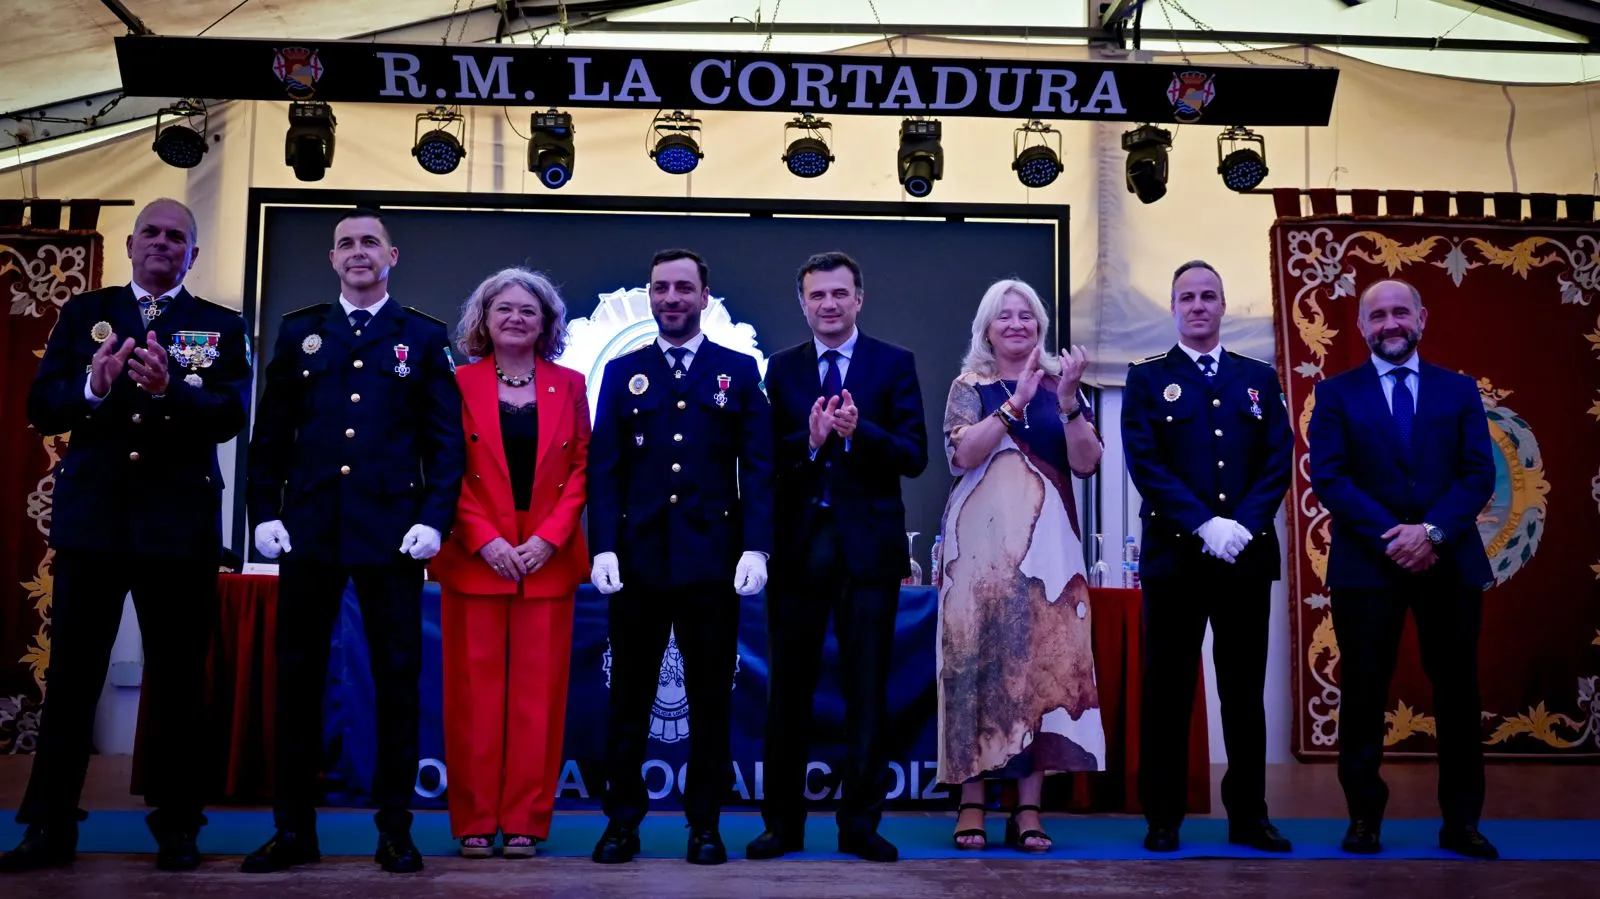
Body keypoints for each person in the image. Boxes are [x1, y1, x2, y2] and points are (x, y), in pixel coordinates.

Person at [1, 199, 250, 874]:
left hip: (179, 529)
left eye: (178, 237)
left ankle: (177, 825)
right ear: (132, 243)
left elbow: (229, 414)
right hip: (96, 524)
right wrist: (92, 384)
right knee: (73, 678)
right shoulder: (86, 313)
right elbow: (42, 407)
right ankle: (48, 825)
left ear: (193, 255)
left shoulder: (220, 325)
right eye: (153, 234)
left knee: (176, 682)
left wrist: (173, 391)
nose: (163, 244)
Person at [242, 208, 465, 874]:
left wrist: (435, 516)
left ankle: (395, 830)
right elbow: (271, 435)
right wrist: (263, 509)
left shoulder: (421, 337)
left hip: (393, 537)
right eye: (346, 244)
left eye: (370, 242)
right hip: (309, 530)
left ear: (391, 256)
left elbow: (445, 442)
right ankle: (292, 830)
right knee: (297, 682)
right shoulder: (301, 330)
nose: (358, 252)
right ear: (332, 259)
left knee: (399, 682)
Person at [586, 248, 773, 866]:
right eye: (661, 288)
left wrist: (756, 546)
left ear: (704, 296)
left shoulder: (738, 371)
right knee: (629, 700)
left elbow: (760, 468)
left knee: (712, 701)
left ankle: (705, 825)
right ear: (649, 295)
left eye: (683, 288)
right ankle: (621, 824)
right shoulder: (622, 371)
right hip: (637, 564)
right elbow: (605, 467)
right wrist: (603, 544)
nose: (671, 298)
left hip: (712, 565)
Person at [1307, 278, 1497, 859]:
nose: (1390, 323)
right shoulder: (1335, 394)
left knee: (1458, 695)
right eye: (1378, 315)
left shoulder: (1458, 390)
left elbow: (1477, 474)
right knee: (1363, 695)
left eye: (1400, 312)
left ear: (1422, 319)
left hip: (1449, 562)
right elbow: (1331, 477)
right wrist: (1397, 537)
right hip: (1368, 566)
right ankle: (1364, 818)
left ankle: (1461, 823)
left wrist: (1433, 532)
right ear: (1362, 327)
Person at [748, 251, 928, 863]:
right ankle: (783, 827)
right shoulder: (780, 370)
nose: (828, 304)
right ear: (803, 303)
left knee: (867, 693)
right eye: (817, 295)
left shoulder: (893, 364)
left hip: (869, 556)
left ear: (859, 298)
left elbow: (914, 454)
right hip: (797, 555)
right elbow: (766, 461)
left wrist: (861, 433)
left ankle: (860, 826)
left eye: (839, 294)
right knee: (788, 696)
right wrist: (815, 438)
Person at [1121, 259, 1293, 854]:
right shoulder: (1146, 379)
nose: (1198, 305)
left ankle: (1250, 817)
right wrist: (1203, 524)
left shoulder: (1256, 378)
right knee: (1168, 692)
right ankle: (1163, 818)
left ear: (1223, 306)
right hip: (1175, 560)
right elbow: (1145, 463)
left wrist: (1241, 525)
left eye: (1208, 296)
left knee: (1243, 694)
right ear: (1173, 308)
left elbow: (1278, 458)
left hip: (1243, 557)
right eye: (1187, 297)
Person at [934, 279, 1104, 853]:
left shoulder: (1064, 386)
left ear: (1040, 325)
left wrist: (1069, 401)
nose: (1015, 323)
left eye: (1025, 315)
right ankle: (972, 803)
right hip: (979, 555)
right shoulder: (969, 386)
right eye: (1003, 316)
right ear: (986, 328)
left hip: (1050, 553)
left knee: (1040, 676)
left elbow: (1087, 464)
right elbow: (962, 456)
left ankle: (1029, 809)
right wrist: (1014, 403)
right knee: (975, 672)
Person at [430, 268, 590, 859]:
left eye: (529, 310)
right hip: (476, 556)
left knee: (536, 702)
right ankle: (473, 820)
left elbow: (581, 470)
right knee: (473, 700)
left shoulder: (570, 384)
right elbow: (442, 465)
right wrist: (483, 539)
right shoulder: (456, 382)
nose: (516, 318)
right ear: (484, 319)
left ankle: (525, 820)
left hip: (546, 559)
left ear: (546, 322)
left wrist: (548, 538)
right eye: (504, 309)